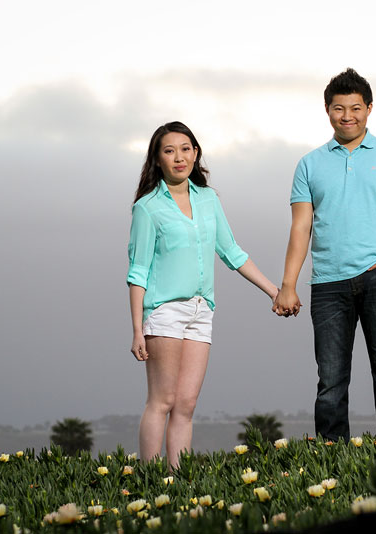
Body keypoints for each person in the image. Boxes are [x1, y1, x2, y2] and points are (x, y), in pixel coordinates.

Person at [273, 68, 376, 443]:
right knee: (330, 377)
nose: (348, 116)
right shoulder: (309, 164)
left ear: (369, 108)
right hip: (327, 283)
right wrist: (288, 285)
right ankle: (331, 450)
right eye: (339, 108)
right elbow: (300, 229)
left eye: (356, 108)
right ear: (327, 110)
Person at [127, 121, 278, 468]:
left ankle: (176, 480)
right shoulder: (147, 208)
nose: (178, 157)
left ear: (196, 153)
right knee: (162, 401)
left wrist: (274, 291)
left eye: (185, 149)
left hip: (201, 310)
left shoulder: (208, 199)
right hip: (164, 311)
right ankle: (149, 478)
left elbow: (232, 253)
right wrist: (137, 329)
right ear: (158, 160)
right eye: (169, 151)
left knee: (187, 404)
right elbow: (137, 272)